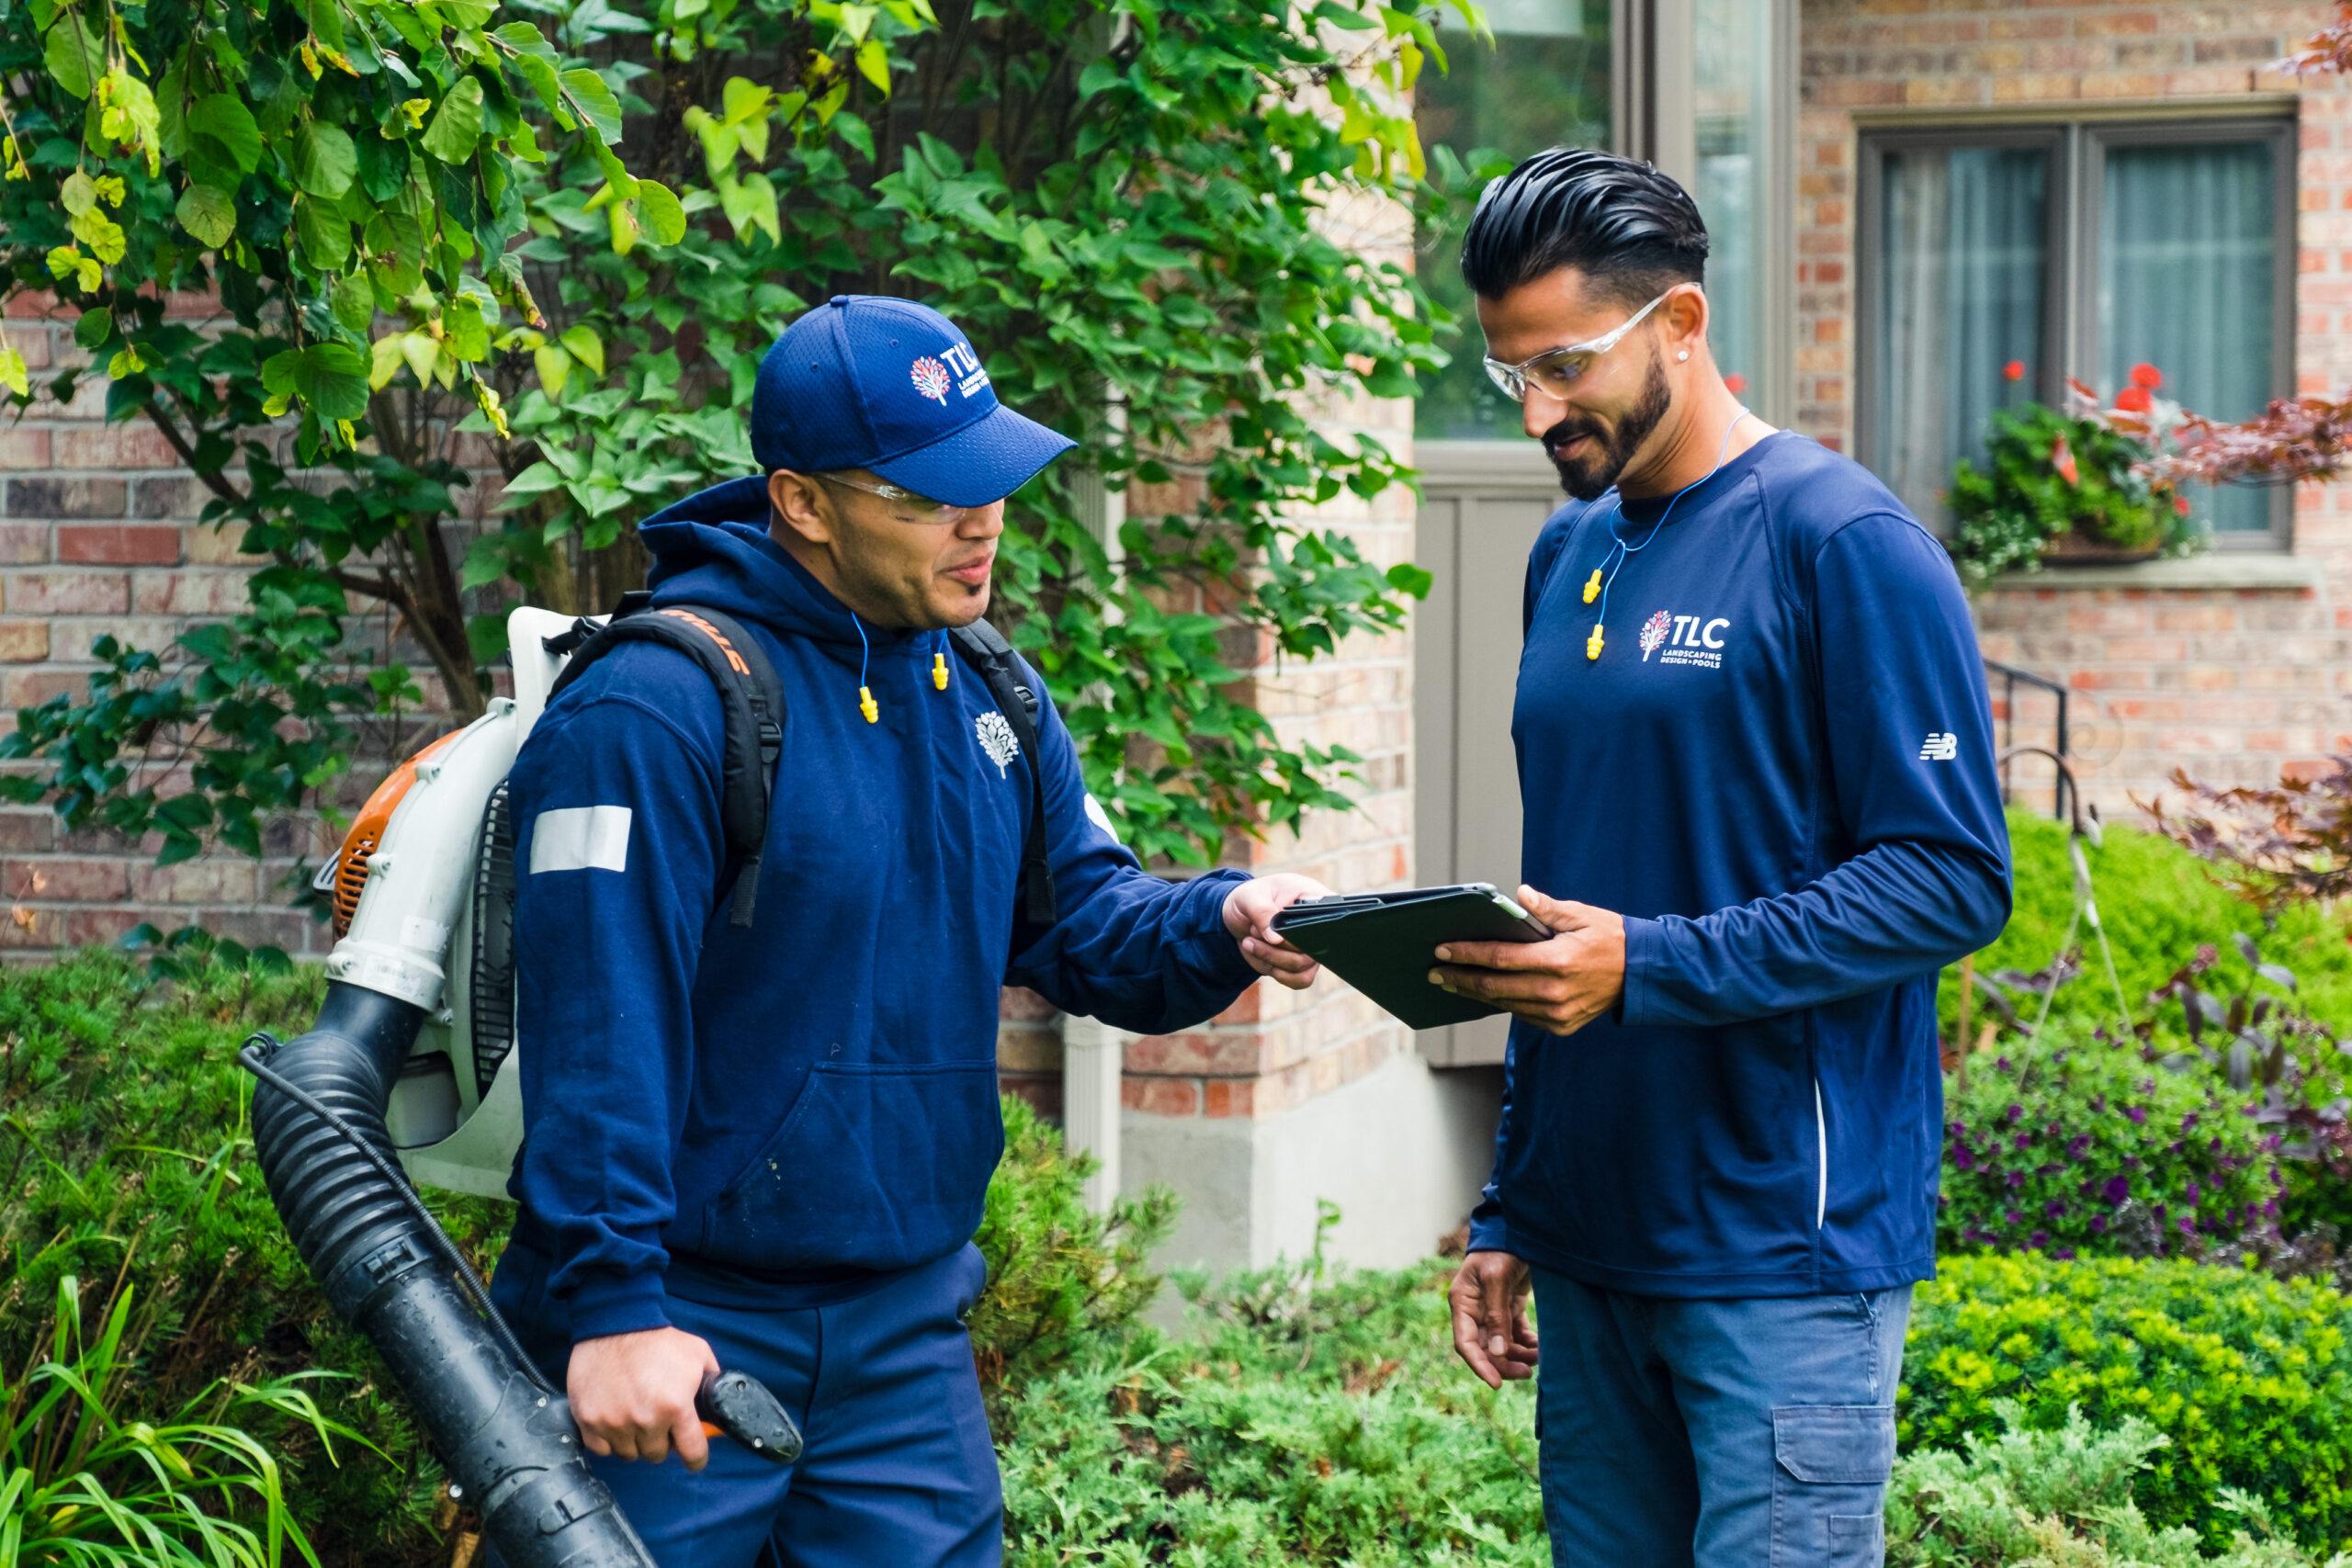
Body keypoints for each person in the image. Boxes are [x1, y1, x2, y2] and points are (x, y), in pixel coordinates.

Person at [489, 294, 1329, 1568]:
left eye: (988, 481)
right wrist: (611, 1310)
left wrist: (1223, 918)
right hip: (685, 1326)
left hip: (903, 1341)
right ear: (805, 502)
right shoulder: (656, 708)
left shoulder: (986, 687)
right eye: (930, 494)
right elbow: (598, 1026)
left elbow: (1088, 923)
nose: (981, 518)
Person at [1427, 151, 2010, 1567]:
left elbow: (1949, 876)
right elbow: (1568, 885)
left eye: (1567, 363)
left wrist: (1651, 963)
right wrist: (1512, 1200)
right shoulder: (1565, 553)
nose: (1539, 408)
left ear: (1680, 324)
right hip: (1593, 1238)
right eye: (1513, 371)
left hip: (1777, 1259)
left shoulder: (1843, 543)